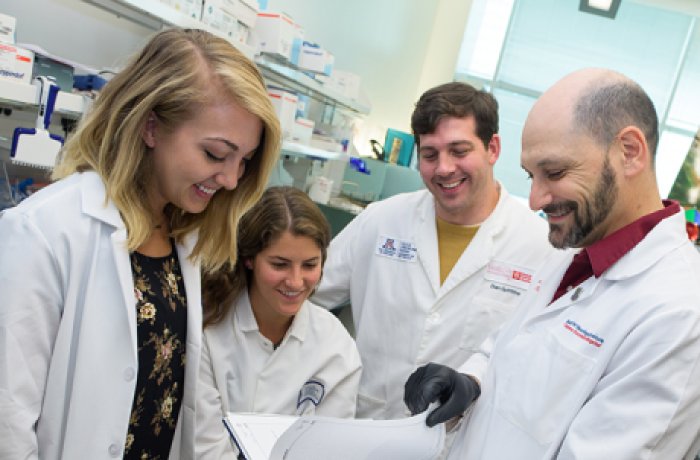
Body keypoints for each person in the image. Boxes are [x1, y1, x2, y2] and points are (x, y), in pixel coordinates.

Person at [0, 28, 281, 459]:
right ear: (151, 126)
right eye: (214, 154)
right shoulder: (45, 232)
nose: (230, 179)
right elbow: (8, 422)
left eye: (243, 160)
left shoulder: (180, 238)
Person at [404, 68, 700, 459]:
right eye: (531, 175)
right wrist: (469, 382)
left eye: (555, 172)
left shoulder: (678, 315)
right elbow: (512, 349)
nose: (535, 200)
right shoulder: (577, 258)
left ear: (629, 152)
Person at [311, 81, 556, 420]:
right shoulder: (382, 221)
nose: (443, 168)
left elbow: (537, 363)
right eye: (430, 154)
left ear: (493, 149)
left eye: (459, 151)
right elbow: (305, 295)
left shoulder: (540, 246)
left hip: (459, 443)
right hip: (365, 430)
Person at [195, 186, 362, 459]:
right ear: (249, 259)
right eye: (280, 264)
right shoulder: (208, 328)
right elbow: (206, 446)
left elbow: (328, 451)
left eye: (310, 265)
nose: (296, 281)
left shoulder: (336, 347)